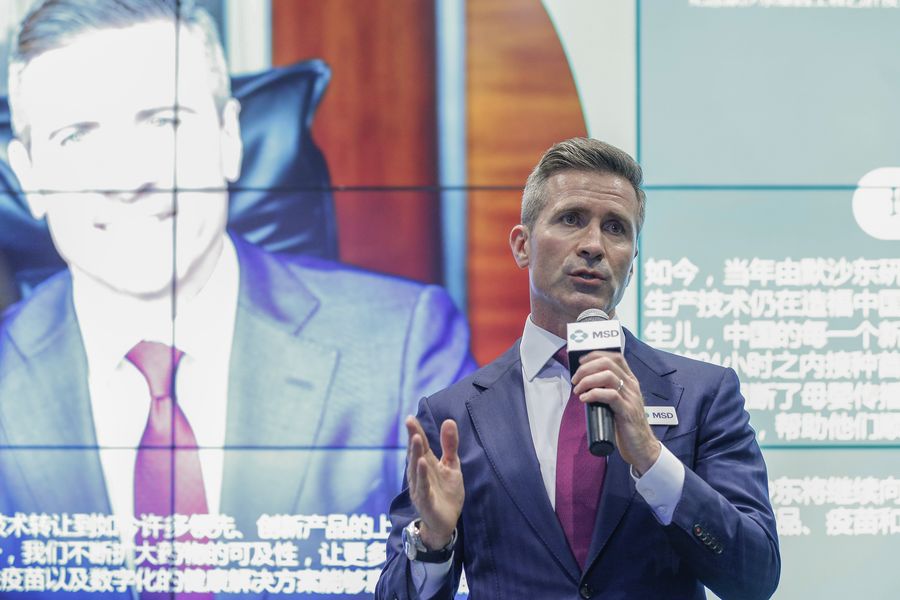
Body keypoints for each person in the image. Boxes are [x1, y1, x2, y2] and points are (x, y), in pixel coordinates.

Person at [0, 0, 473, 597]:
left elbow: (472, 575)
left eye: (164, 122)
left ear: (229, 138)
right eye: (75, 135)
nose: (128, 178)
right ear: (28, 175)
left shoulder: (402, 346)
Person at [376, 137, 781, 599]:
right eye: (571, 219)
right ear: (522, 246)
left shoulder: (703, 394)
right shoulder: (453, 416)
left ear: (632, 264)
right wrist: (433, 541)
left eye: (615, 228)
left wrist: (653, 460)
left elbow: (755, 578)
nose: (593, 245)